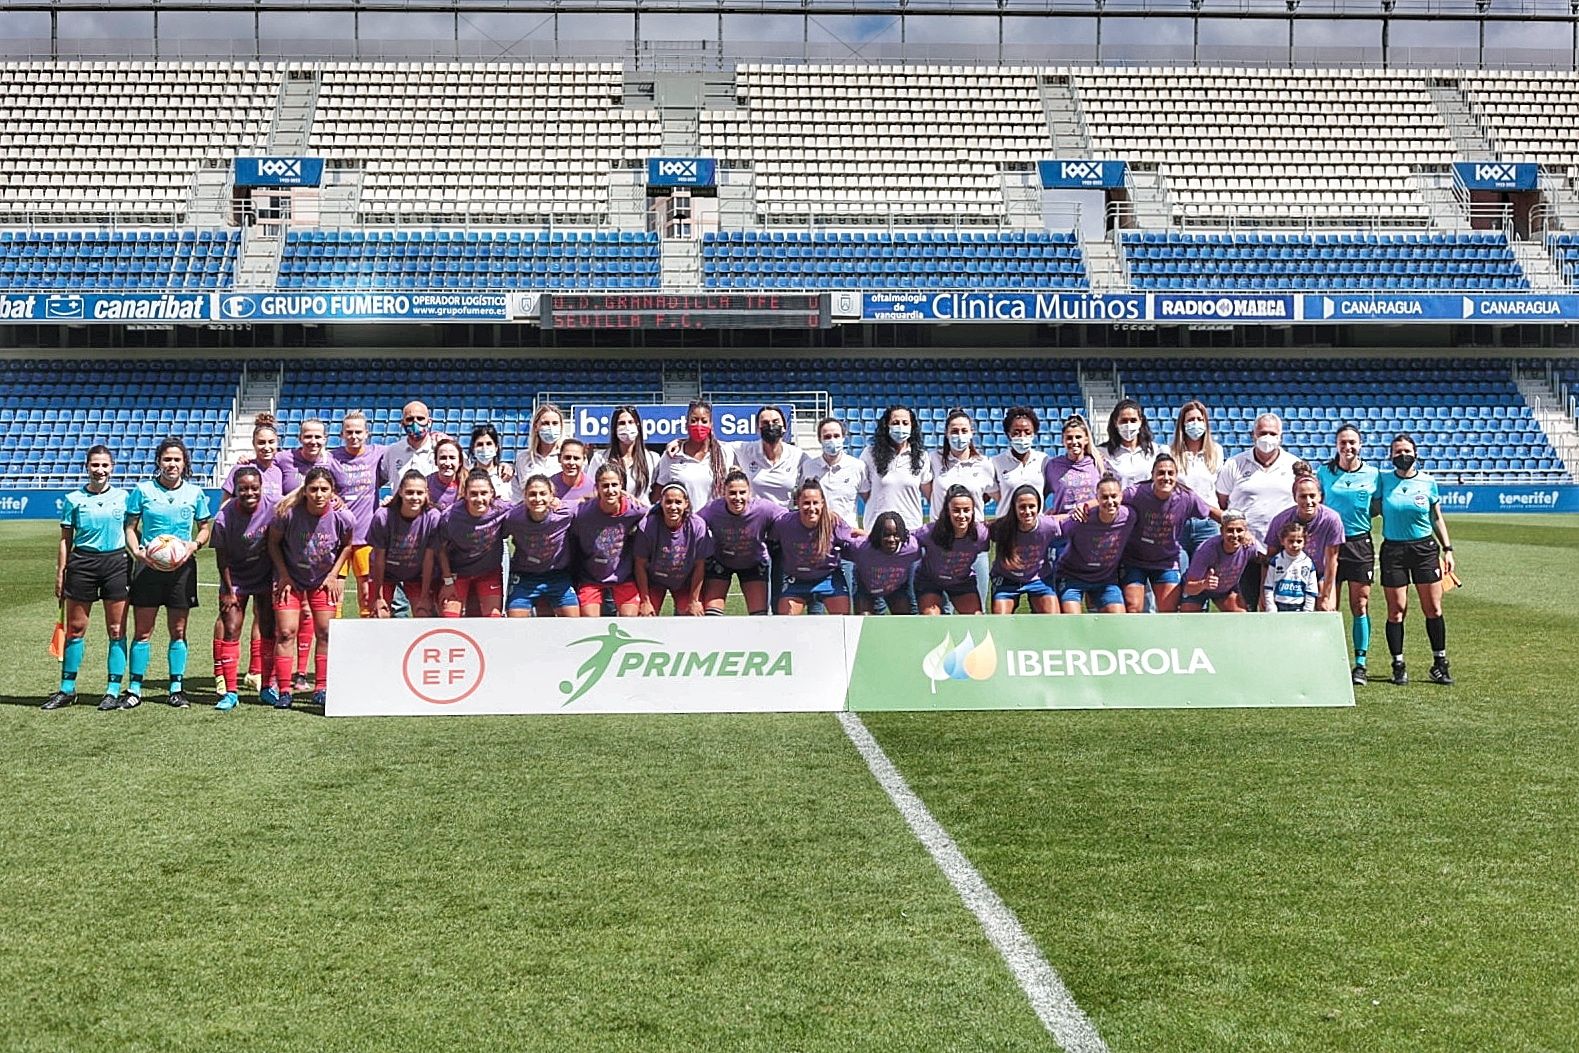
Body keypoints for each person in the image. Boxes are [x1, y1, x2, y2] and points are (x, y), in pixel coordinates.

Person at [122, 437, 212, 709]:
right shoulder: (142, 490)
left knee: (179, 630)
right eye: (167, 459)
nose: (172, 464)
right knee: (143, 631)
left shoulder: (195, 493)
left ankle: (176, 688)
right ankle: (134, 688)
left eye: (177, 459)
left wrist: (194, 544)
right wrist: (137, 551)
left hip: (181, 569)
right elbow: (130, 527)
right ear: (158, 462)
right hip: (148, 569)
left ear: (185, 464)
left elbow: (205, 528)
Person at [45, 445, 131, 711]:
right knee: (76, 630)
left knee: (116, 630)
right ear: (87, 467)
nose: (100, 470)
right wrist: (61, 572)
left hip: (116, 562)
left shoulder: (125, 497)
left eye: (105, 465)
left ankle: (112, 690)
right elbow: (64, 540)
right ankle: (67, 689)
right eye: (95, 465)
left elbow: (133, 529)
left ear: (112, 468)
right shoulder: (73, 499)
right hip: (82, 563)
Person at [267, 467, 355, 708]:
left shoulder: (343, 517)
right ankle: (284, 690)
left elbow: (348, 545)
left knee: (325, 632)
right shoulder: (288, 514)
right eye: (313, 489)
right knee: (286, 632)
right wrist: (283, 575)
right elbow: (273, 543)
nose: (318, 494)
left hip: (322, 580)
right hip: (290, 580)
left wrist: (334, 575)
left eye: (324, 489)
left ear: (332, 492)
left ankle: (321, 688)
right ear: (305, 491)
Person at [1377, 433, 1456, 686]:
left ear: (1416, 453)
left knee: (1432, 608)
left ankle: (1439, 664)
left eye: (1407, 451)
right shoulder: (1383, 480)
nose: (1403, 456)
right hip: (1393, 551)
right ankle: (1398, 664)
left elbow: (1436, 518)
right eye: (1397, 452)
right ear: (1390, 456)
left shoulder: (1428, 482)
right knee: (1396, 611)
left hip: (1424, 550)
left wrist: (1448, 549)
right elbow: (1369, 508)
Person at [1316, 424, 1383, 685]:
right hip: (1330, 544)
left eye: (1352, 442)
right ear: (1336, 445)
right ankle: (1328, 661)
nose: (1348, 447)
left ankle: (1360, 665)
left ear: (1360, 444)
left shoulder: (1373, 474)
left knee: (1360, 605)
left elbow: (1376, 506)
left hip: (1359, 544)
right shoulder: (1325, 472)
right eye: (1343, 442)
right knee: (1328, 605)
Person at [209, 465, 277, 711]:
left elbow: (300, 501)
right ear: (234, 490)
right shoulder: (224, 518)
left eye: (254, 488)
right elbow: (221, 558)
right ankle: (229, 692)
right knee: (231, 628)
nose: (250, 493)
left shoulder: (274, 507)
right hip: (235, 578)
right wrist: (228, 590)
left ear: (261, 488)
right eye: (243, 489)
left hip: (265, 577)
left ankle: (267, 687)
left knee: (269, 629)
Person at [1119, 453, 1221, 613]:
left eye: (1170, 473)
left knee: (1169, 612)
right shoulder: (1136, 492)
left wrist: (1238, 524)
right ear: (1152, 475)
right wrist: (1084, 509)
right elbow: (1110, 499)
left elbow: (1211, 511)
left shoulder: (1186, 497)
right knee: (1133, 608)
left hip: (1166, 562)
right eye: (1160, 473)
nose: (1165, 477)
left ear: (1176, 476)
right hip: (1135, 560)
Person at [1215, 412, 1298, 606]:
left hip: (1282, 550)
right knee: (1242, 607)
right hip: (1243, 549)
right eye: (1262, 433)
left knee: (1278, 607)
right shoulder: (1234, 464)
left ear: (1280, 436)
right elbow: (1222, 502)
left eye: (1272, 433)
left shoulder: (1293, 465)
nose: (1267, 438)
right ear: (1253, 435)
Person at [798, 416, 867, 604]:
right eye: (827, 436)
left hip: (847, 543)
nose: (832, 440)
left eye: (836, 435)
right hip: (816, 542)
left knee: (847, 596)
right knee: (816, 601)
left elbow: (868, 500)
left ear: (844, 437)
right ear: (819, 439)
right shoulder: (809, 466)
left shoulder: (857, 467)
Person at [769, 478, 855, 615]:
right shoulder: (784, 523)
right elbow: (767, 536)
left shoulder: (833, 521)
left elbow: (854, 540)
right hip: (796, 579)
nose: (811, 508)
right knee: (784, 622)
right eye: (806, 503)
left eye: (815, 503)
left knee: (843, 621)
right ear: (798, 503)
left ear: (822, 503)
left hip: (829, 577)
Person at [570, 463, 646, 617]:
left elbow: (656, 514)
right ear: (596, 487)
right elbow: (561, 510)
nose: (610, 490)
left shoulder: (635, 510)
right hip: (590, 577)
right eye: (605, 486)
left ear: (621, 487)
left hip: (623, 577)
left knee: (630, 621)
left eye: (614, 485)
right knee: (589, 623)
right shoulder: (582, 512)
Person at [697, 470, 777, 616]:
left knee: (759, 616)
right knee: (711, 615)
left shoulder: (764, 508)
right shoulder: (713, 509)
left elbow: (789, 519)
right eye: (732, 493)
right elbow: (693, 524)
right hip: (721, 561)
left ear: (749, 493)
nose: (738, 497)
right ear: (724, 493)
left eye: (742, 492)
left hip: (754, 562)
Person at [435, 468, 512, 619]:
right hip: (458, 573)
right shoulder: (450, 516)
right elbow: (440, 549)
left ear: (492, 493)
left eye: (484, 493)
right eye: (474, 494)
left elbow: (527, 510)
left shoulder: (503, 509)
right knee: (449, 618)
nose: (479, 499)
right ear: (465, 494)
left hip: (488, 572)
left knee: (494, 619)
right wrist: (448, 580)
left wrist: (554, 501)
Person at [1053, 473, 1135, 614]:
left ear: (1121, 496)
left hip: (1105, 579)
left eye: (1114, 496)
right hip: (1072, 576)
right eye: (1104, 497)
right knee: (1072, 622)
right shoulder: (1081, 518)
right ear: (1096, 499)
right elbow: (1053, 529)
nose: (1110, 501)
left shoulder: (1129, 516)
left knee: (1118, 617)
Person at [330, 411, 384, 618]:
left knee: (366, 592)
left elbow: (407, 450)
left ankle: (368, 638)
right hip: (338, 537)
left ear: (367, 433)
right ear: (342, 434)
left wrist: (436, 437)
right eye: (349, 432)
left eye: (358, 432)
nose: (354, 436)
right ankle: (331, 638)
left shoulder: (378, 453)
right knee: (335, 592)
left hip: (366, 535)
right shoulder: (332, 458)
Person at [502, 474, 579, 619]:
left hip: (557, 575)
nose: (537, 499)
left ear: (552, 496)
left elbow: (591, 499)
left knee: (574, 623)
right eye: (532, 494)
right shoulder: (513, 517)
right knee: (514, 626)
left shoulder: (565, 512)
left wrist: (625, 495)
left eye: (543, 494)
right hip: (525, 577)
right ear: (524, 496)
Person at [1265, 467, 1343, 610]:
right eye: (1303, 496)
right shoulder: (1281, 521)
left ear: (1320, 496)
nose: (1308, 501)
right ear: (1295, 497)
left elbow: (1332, 562)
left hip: (1319, 574)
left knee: (1327, 611)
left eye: (1312, 496)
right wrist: (1263, 595)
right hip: (1288, 574)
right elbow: (1269, 560)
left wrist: (1325, 596)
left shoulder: (1332, 519)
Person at [368, 470, 440, 619]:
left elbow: (429, 560)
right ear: (400, 491)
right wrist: (378, 596)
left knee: (423, 613)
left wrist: (425, 596)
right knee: (379, 615)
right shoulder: (383, 516)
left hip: (416, 574)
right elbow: (378, 559)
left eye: (419, 493)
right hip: (386, 573)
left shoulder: (433, 517)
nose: (415, 497)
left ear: (426, 493)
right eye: (409, 492)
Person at [633, 483, 713, 616]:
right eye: (669, 502)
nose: (673, 507)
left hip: (684, 581)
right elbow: (639, 564)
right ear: (661, 502)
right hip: (654, 581)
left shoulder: (697, 526)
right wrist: (645, 601)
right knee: (645, 615)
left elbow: (700, 565)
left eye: (678, 502)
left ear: (686, 503)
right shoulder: (647, 526)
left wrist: (694, 600)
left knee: (691, 614)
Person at [915, 484, 990, 616]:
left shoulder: (981, 534)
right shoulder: (930, 532)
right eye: (956, 510)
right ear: (948, 511)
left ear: (973, 511)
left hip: (962, 581)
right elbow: (905, 539)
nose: (961, 515)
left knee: (975, 618)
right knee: (930, 618)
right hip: (930, 581)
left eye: (966, 510)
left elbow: (1007, 530)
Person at [988, 484, 1063, 614]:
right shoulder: (1001, 527)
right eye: (1022, 507)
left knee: (1053, 619)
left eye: (1031, 506)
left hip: (1039, 579)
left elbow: (1072, 520)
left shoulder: (1048, 525)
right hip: (1007, 580)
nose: (1027, 512)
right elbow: (976, 532)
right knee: (999, 620)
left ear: (1038, 506)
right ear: (1014, 508)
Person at [860, 404, 932, 531]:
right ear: (886, 426)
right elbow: (864, 491)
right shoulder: (869, 454)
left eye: (905, 423)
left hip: (911, 529)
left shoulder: (922, 457)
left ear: (912, 427)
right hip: (876, 529)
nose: (900, 427)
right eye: (895, 422)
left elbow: (930, 495)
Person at [654, 399, 735, 509]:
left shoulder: (725, 452)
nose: (698, 425)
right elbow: (659, 492)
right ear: (687, 423)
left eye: (704, 421)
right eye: (694, 420)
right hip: (683, 522)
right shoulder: (672, 455)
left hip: (715, 522)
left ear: (711, 425)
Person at [1170, 400, 1224, 559]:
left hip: (1208, 523)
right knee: (1178, 572)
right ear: (1182, 424)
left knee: (1205, 575)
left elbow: (1220, 489)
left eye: (1200, 420)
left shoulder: (1217, 452)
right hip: (1179, 523)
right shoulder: (1169, 452)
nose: (1195, 424)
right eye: (1190, 420)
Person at [1178, 510, 1255, 612]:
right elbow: (1189, 588)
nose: (1235, 535)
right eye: (1230, 530)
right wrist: (1204, 584)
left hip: (1224, 591)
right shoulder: (1205, 550)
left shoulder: (1249, 548)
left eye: (1239, 530)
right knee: (1188, 620)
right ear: (1221, 531)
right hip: (1198, 590)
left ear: (1246, 532)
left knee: (1241, 616)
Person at [849, 512, 923, 615]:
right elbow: (841, 541)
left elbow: (927, 535)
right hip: (866, 588)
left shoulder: (912, 547)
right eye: (886, 535)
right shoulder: (861, 547)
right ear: (877, 535)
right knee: (864, 620)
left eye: (896, 535)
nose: (891, 540)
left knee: (905, 619)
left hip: (897, 588)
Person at [735, 405, 804, 509]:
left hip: (784, 519)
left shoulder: (798, 456)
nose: (771, 426)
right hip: (754, 520)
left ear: (784, 426)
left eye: (775, 422)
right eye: (765, 423)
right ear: (758, 429)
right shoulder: (745, 450)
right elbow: (718, 447)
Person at [588, 405, 658, 508]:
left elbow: (657, 491)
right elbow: (592, 490)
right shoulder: (600, 458)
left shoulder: (653, 458)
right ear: (614, 428)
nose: (627, 427)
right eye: (621, 423)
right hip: (611, 518)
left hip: (642, 517)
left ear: (638, 425)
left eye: (630, 422)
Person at [1044, 413, 1105, 513]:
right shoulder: (1053, 466)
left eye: (1078, 437)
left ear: (1086, 440)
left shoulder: (1098, 463)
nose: (1074, 441)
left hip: (1093, 524)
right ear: (1062, 441)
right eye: (1069, 438)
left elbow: (1106, 495)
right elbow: (1040, 495)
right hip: (1064, 525)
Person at [222, 413, 292, 501]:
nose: (267, 447)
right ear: (253, 444)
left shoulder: (279, 472)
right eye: (261, 442)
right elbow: (224, 505)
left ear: (277, 443)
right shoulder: (241, 468)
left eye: (271, 442)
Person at [1102, 398, 1168, 490]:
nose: (1128, 425)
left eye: (1133, 420)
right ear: (1115, 422)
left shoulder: (1155, 450)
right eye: (1124, 421)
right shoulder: (1103, 453)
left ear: (1140, 421)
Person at [378, 400, 445, 486]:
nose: (415, 423)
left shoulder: (441, 450)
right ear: (402, 423)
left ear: (429, 422)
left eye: (420, 419)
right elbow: (377, 480)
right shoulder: (392, 451)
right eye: (410, 419)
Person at [993, 405, 1048, 504]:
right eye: (1016, 432)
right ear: (1008, 434)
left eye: (1027, 432)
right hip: (1007, 519)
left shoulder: (1043, 460)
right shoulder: (996, 462)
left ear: (1033, 434)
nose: (1022, 437)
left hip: (1036, 518)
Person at [1263, 520, 1318, 613]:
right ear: (1282, 541)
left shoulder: (1308, 563)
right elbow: (1269, 586)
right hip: (1278, 607)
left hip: (1299, 608)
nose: (1295, 545)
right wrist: (1271, 607)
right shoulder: (1276, 561)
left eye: (1299, 541)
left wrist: (1308, 610)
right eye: (1291, 541)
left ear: (1304, 542)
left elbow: (1311, 589)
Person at [511, 402, 568, 489]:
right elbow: (518, 493)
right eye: (545, 423)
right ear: (536, 426)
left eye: (555, 423)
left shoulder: (568, 457)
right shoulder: (523, 459)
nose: (550, 427)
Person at [552, 438, 597, 513]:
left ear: (584, 459)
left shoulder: (593, 488)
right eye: (567, 457)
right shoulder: (549, 485)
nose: (571, 462)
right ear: (559, 458)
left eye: (576, 458)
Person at [467, 423, 514, 494]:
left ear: (496, 447)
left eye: (489, 443)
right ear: (473, 448)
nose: (484, 448)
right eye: (480, 444)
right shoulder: (466, 474)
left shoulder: (507, 474)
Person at [425, 437, 466, 513]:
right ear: (436, 461)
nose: (447, 463)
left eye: (452, 458)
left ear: (460, 462)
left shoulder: (467, 484)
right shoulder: (426, 483)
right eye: (443, 458)